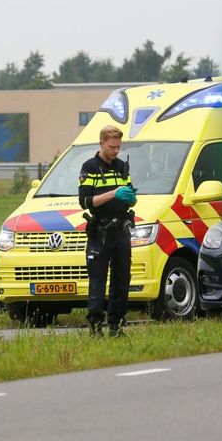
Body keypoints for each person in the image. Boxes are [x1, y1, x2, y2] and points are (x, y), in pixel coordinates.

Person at [79, 126, 136, 336]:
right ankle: (95, 328)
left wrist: (131, 196)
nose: (116, 151)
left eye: (119, 147)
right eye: (112, 147)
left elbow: (129, 192)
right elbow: (84, 201)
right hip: (101, 230)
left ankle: (117, 325)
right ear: (102, 143)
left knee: (122, 280)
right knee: (98, 281)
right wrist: (113, 194)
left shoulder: (122, 166)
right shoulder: (90, 167)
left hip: (121, 229)